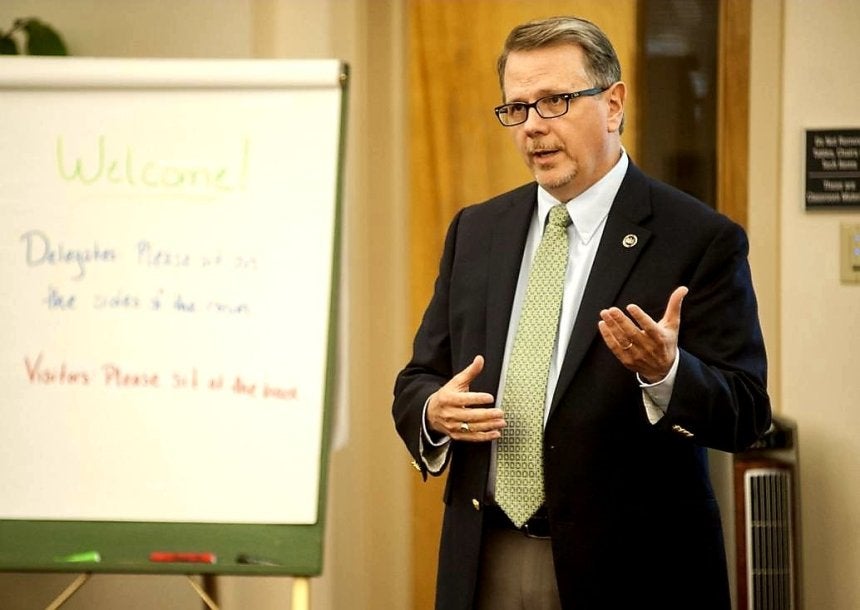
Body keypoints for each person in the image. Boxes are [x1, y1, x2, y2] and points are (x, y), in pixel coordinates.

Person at [392, 15, 771, 610]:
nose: (532, 127)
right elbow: (419, 378)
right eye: (516, 108)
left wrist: (666, 374)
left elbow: (746, 414)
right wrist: (433, 412)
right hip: (485, 554)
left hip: (630, 569)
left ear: (613, 104)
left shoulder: (698, 238)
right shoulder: (477, 230)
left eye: (554, 101)